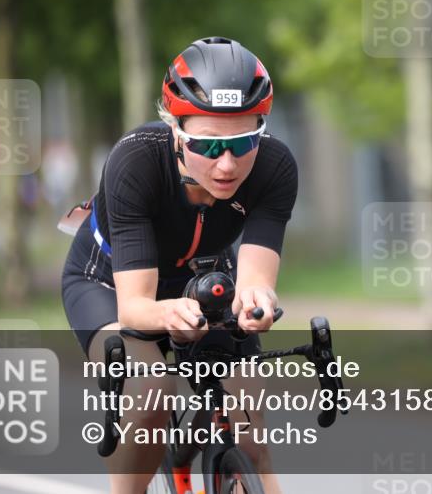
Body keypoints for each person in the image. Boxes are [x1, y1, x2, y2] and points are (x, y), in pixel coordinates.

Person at [61, 37, 297, 494]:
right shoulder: (136, 160)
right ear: (175, 128)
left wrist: (257, 302)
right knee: (152, 390)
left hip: (201, 276)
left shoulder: (275, 167)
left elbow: (255, 278)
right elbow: (135, 308)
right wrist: (169, 315)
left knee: (249, 421)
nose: (227, 165)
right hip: (108, 283)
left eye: (244, 141)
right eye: (208, 145)